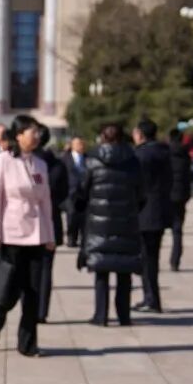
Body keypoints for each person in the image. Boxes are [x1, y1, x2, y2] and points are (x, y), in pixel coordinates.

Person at [0, 115, 55, 357]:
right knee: (9, 291)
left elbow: (45, 202)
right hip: (11, 234)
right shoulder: (2, 161)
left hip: (36, 235)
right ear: (19, 135)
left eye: (38, 132)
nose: (37, 136)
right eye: (32, 132)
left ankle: (28, 344)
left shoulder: (40, 164)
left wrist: (50, 234)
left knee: (33, 291)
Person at [77, 124, 144, 326]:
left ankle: (101, 315)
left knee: (101, 270)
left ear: (103, 138)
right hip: (126, 222)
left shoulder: (92, 160)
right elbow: (142, 193)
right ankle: (124, 315)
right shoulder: (133, 161)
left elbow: (83, 191)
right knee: (124, 272)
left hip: (99, 223)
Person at [132, 118, 173, 313]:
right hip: (161, 210)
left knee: (146, 259)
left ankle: (151, 299)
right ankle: (151, 296)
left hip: (144, 212)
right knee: (152, 258)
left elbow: (136, 184)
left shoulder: (140, 155)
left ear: (140, 134)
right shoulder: (165, 153)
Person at [35, 125, 68, 324]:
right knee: (46, 268)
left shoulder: (27, 163)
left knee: (29, 269)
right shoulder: (58, 165)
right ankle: (41, 311)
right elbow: (64, 193)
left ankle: (30, 309)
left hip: (28, 222)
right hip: (51, 220)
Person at [168, 128, 193, 272]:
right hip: (180, 196)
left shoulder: (165, 154)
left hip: (166, 195)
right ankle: (175, 261)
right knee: (177, 230)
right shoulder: (186, 156)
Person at [61, 136, 87, 248]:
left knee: (84, 218)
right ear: (72, 145)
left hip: (84, 193)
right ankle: (72, 238)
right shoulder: (65, 159)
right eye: (77, 143)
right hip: (70, 192)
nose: (80, 146)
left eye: (81, 143)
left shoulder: (88, 158)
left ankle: (84, 239)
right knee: (72, 216)